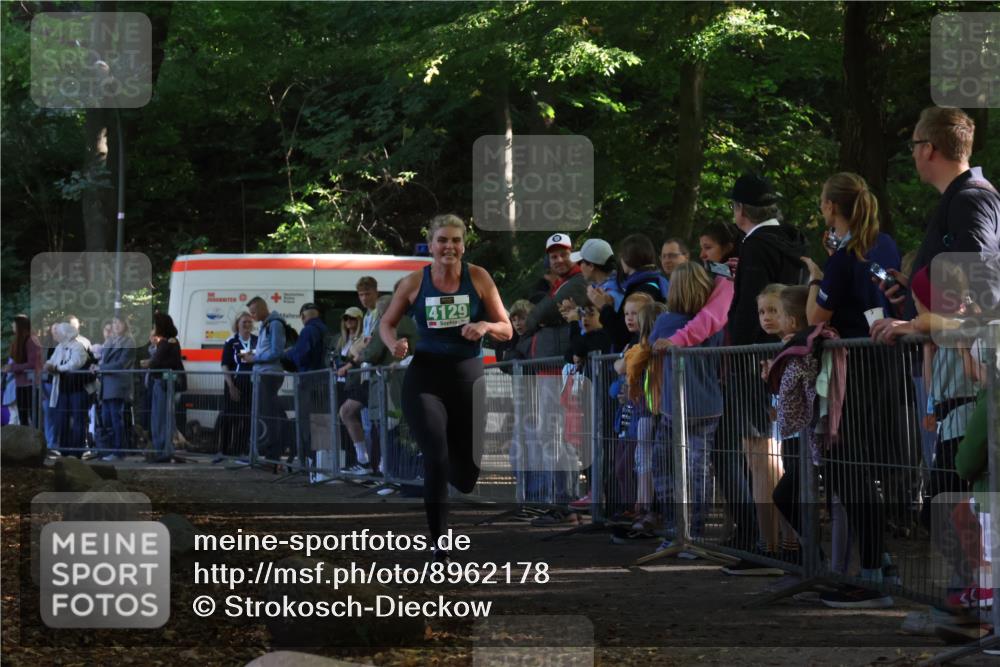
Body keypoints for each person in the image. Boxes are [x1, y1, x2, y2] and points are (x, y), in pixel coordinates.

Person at [379, 214, 512, 562]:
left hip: (467, 376)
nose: (449, 247)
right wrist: (394, 344)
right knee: (436, 458)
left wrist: (484, 325)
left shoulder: (478, 277)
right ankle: (439, 541)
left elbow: (507, 329)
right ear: (431, 244)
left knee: (467, 475)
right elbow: (386, 323)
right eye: (442, 240)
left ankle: (453, 472)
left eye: (455, 240)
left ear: (463, 244)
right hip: (425, 377)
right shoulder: (414, 282)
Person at [718, 173, 808, 552]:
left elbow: (747, 309)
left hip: (754, 360)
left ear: (740, 211)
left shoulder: (755, 247)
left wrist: (735, 348)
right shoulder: (792, 241)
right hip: (783, 354)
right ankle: (787, 540)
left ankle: (767, 543)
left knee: (760, 452)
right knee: (777, 450)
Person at [649, 263, 724, 557]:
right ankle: (694, 532)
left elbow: (650, 347)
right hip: (708, 405)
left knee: (664, 465)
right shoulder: (714, 323)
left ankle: (676, 529)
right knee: (698, 470)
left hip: (675, 408)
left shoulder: (668, 323)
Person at [590, 234, 669, 351]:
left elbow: (621, 334)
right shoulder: (655, 282)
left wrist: (605, 307)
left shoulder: (642, 290)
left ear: (627, 258)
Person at [281, 302, 331, 469]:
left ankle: (308, 465)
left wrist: (289, 353)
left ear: (303, 317)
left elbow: (301, 357)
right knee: (322, 423)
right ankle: (322, 465)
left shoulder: (308, 330)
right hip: (324, 382)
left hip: (308, 383)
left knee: (306, 425)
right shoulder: (326, 329)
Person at [241, 296, 287, 462]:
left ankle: (272, 454)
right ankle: (269, 453)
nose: (252, 316)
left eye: (253, 312)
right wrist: (255, 356)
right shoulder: (266, 324)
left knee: (269, 415)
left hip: (269, 375)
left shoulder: (274, 324)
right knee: (266, 415)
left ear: (262, 308)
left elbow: (276, 351)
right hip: (264, 374)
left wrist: (255, 358)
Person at [142, 313, 184, 463]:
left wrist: (150, 363)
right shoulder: (169, 343)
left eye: (155, 326)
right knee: (159, 417)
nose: (153, 329)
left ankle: (163, 450)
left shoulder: (168, 343)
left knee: (161, 418)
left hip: (164, 384)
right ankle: (161, 449)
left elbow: (157, 361)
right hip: (161, 383)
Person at [216, 312, 257, 462]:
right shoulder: (231, 341)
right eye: (244, 322)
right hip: (234, 384)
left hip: (252, 384)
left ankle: (240, 451)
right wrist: (231, 386)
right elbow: (225, 364)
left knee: (247, 419)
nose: (247, 325)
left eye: (249, 322)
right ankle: (224, 451)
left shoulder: (257, 340)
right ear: (237, 324)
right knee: (229, 418)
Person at [45, 321, 90, 457]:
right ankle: (64, 450)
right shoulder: (59, 347)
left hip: (78, 389)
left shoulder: (78, 347)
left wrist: (57, 368)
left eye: (58, 332)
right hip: (64, 389)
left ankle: (77, 451)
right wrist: (48, 366)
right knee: (62, 418)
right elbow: (52, 361)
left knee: (78, 420)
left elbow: (75, 363)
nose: (56, 335)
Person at [96, 316, 136, 461]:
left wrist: (100, 367)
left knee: (116, 419)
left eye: (119, 322)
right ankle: (111, 450)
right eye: (113, 322)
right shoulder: (110, 341)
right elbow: (103, 358)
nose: (116, 325)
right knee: (108, 419)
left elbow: (121, 364)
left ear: (125, 324)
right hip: (107, 385)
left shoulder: (129, 342)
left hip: (118, 385)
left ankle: (119, 452)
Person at [3, 314, 42, 427]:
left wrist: (13, 368)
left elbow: (32, 364)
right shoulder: (18, 341)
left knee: (32, 417)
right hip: (20, 384)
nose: (12, 326)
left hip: (31, 385)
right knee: (22, 416)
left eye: (14, 324)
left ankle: (34, 442)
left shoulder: (31, 340)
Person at [572, 238, 624, 311]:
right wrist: (577, 311)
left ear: (591, 266)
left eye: (580, 262)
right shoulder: (619, 283)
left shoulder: (609, 295)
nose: (579, 266)